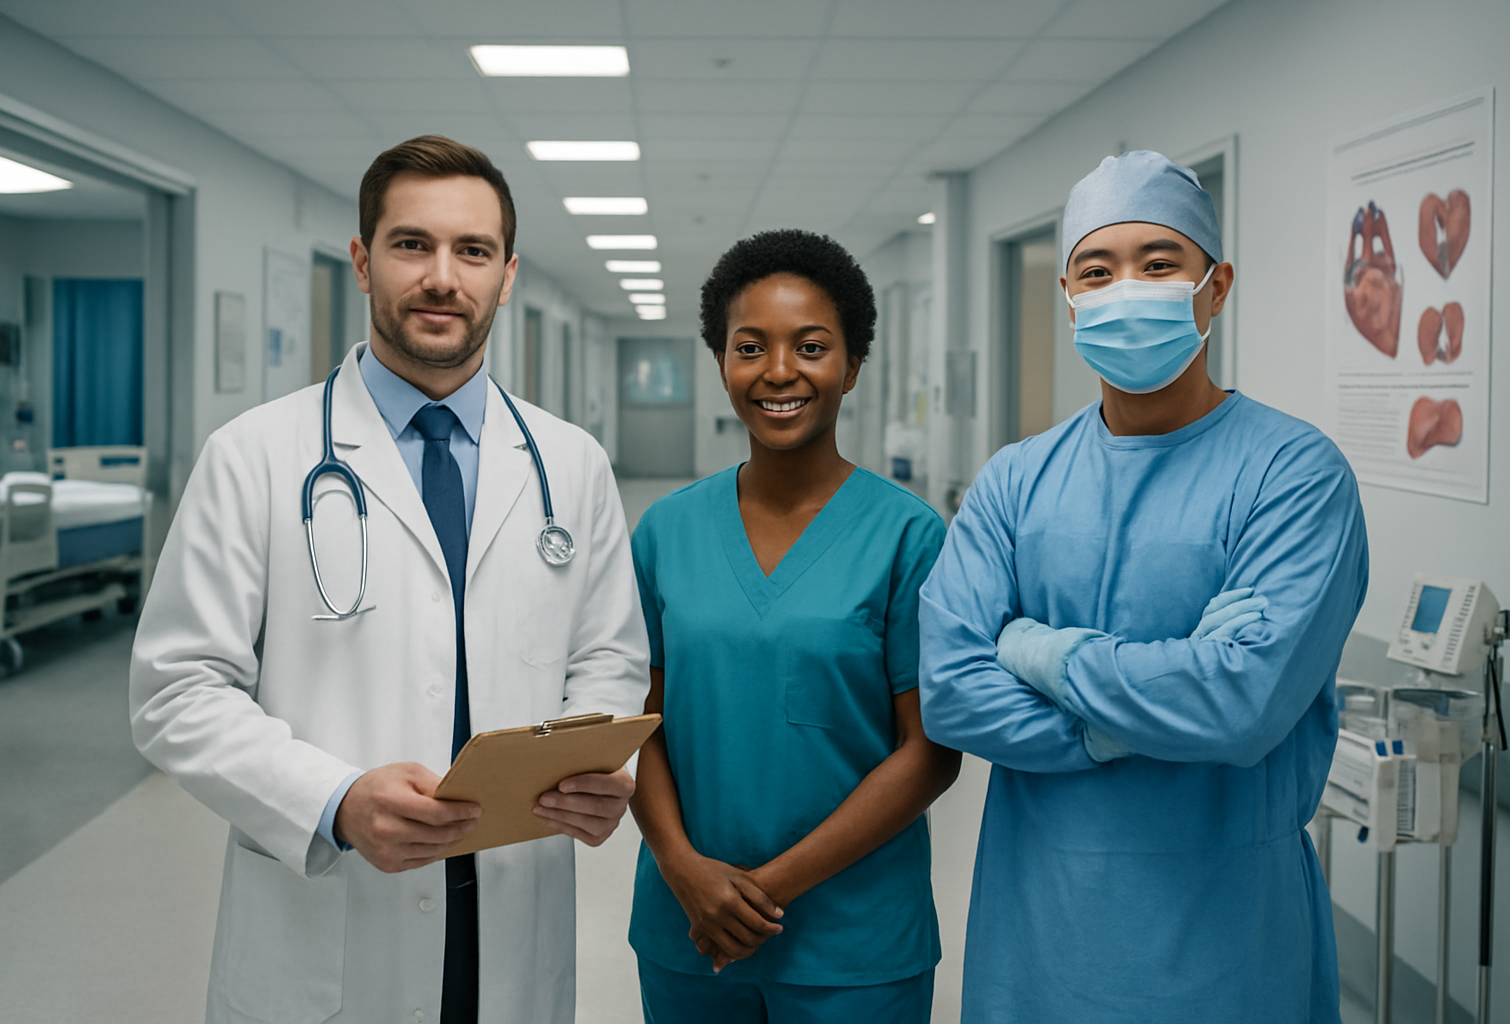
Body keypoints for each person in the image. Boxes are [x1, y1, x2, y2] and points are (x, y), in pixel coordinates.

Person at [129, 136, 649, 1024]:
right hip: (331, 904)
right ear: (365, 262)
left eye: (472, 251)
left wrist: (590, 766)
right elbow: (177, 690)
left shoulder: (572, 462)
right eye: (413, 245)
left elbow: (608, 655)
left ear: (508, 274)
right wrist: (333, 800)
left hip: (511, 900)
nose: (443, 277)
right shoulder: (255, 456)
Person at [918, 151, 1369, 1023]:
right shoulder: (1016, 480)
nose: (1128, 287)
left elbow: (1240, 705)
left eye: (1160, 263)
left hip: (1228, 935)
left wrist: (1035, 647)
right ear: (1069, 294)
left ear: (1216, 285)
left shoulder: (1294, 473)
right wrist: (1138, 715)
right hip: (1040, 929)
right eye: (1099, 269)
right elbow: (951, 694)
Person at [627, 229, 961, 1023]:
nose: (779, 371)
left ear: (852, 365)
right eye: (751, 347)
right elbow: (633, 723)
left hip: (854, 943)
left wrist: (759, 894)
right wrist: (683, 869)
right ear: (721, 364)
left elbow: (930, 753)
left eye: (811, 346)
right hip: (687, 926)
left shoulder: (909, 538)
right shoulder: (665, 532)